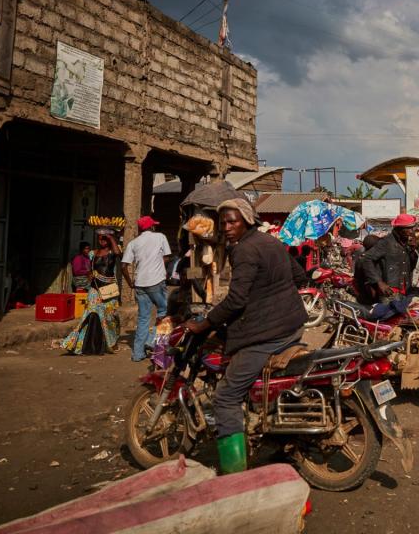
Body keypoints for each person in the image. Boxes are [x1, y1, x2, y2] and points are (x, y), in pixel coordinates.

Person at [185, 199, 307, 474]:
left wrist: (205, 324)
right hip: (293, 325)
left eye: (233, 222)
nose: (227, 228)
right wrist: (270, 298)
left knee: (225, 396)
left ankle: (234, 471)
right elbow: (298, 276)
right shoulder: (271, 242)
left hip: (269, 334)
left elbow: (237, 300)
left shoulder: (245, 250)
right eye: (223, 223)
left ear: (248, 221)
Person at [61, 232, 122, 355]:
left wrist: (110, 237)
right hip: (94, 289)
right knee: (90, 314)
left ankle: (111, 342)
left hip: (109, 289)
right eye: (100, 239)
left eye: (105, 239)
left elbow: (118, 254)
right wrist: (90, 274)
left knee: (109, 317)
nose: (102, 241)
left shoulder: (113, 251)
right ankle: (78, 343)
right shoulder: (93, 253)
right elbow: (90, 269)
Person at [121, 216, 172, 362]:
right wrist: (160, 266)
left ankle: (137, 354)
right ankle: (151, 341)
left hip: (139, 283)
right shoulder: (160, 237)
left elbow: (123, 266)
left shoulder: (133, 243)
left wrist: (130, 282)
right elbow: (167, 256)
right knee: (164, 312)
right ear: (152, 227)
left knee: (143, 318)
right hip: (156, 281)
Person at [360, 214, 419, 302]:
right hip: (389, 292)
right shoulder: (386, 242)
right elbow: (366, 259)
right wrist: (379, 282)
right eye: (409, 228)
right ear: (399, 229)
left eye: (412, 228)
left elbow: (411, 267)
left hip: (405, 290)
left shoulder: (407, 243)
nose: (412, 231)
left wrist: (412, 251)